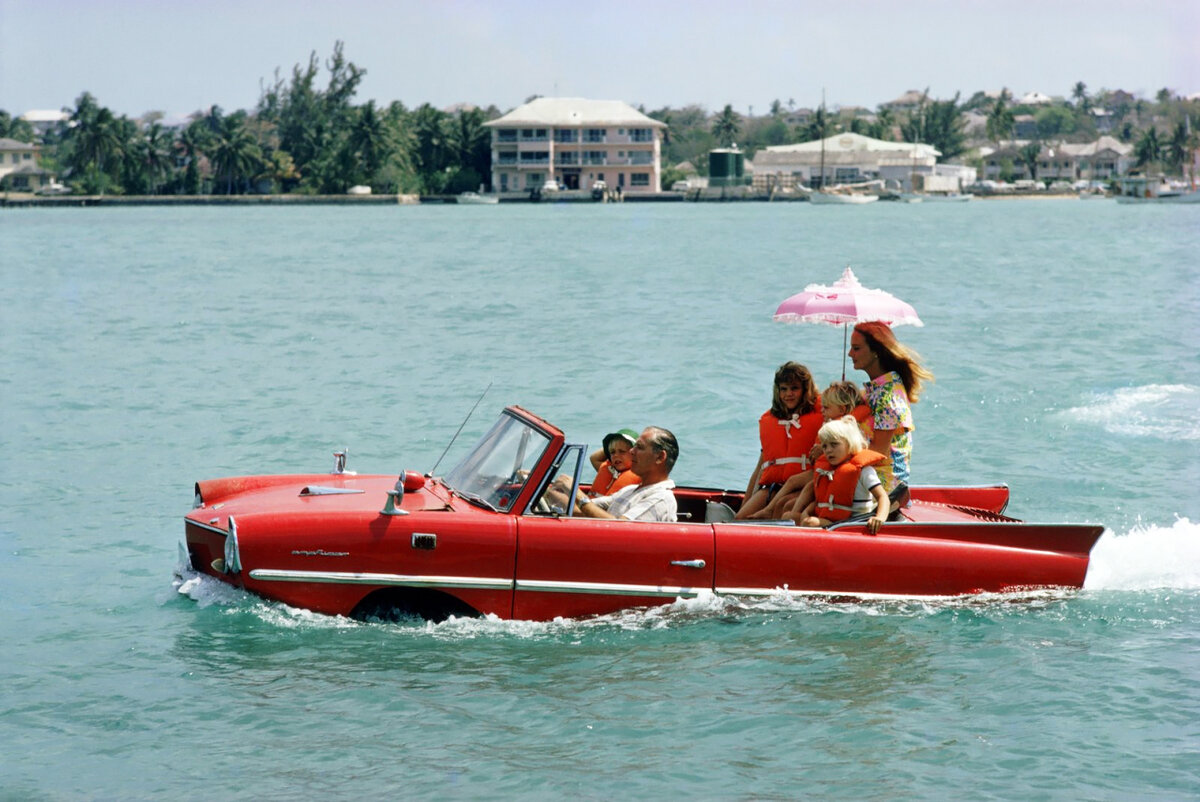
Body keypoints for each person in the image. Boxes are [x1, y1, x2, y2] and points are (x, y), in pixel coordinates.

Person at [758, 380, 872, 519]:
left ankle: (780, 513)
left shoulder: (844, 428)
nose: (822, 410)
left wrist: (823, 451)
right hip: (824, 468)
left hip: (834, 471)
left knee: (792, 487)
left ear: (841, 410)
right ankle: (776, 515)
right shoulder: (832, 424)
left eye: (826, 408)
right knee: (789, 493)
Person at [848, 321, 933, 492]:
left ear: (876, 352)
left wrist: (838, 454)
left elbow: (878, 453)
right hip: (867, 474)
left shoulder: (887, 397)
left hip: (885, 485)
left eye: (856, 348)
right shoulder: (875, 389)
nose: (850, 354)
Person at [735, 362, 823, 519]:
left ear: (805, 390)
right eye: (784, 389)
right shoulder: (771, 420)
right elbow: (760, 468)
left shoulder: (821, 417)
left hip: (801, 486)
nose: (788, 394)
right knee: (740, 519)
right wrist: (745, 503)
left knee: (781, 508)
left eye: (794, 388)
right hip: (772, 487)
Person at [546, 427, 679, 522]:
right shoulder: (629, 491)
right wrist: (545, 490)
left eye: (640, 447)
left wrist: (578, 494)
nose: (631, 451)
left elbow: (620, 528)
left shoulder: (660, 499)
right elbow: (582, 509)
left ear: (660, 457)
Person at [793, 415, 890, 534]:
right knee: (790, 516)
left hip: (852, 525)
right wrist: (805, 512)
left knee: (810, 523)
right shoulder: (827, 471)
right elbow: (821, 501)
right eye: (825, 446)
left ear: (849, 443)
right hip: (831, 521)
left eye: (834, 444)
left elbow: (882, 497)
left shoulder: (864, 471)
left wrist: (879, 518)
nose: (828, 450)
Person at [588, 429, 640, 497]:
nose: (616, 455)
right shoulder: (610, 469)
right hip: (590, 505)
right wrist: (612, 446)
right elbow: (594, 458)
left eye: (622, 451)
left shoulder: (639, 476)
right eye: (612, 452)